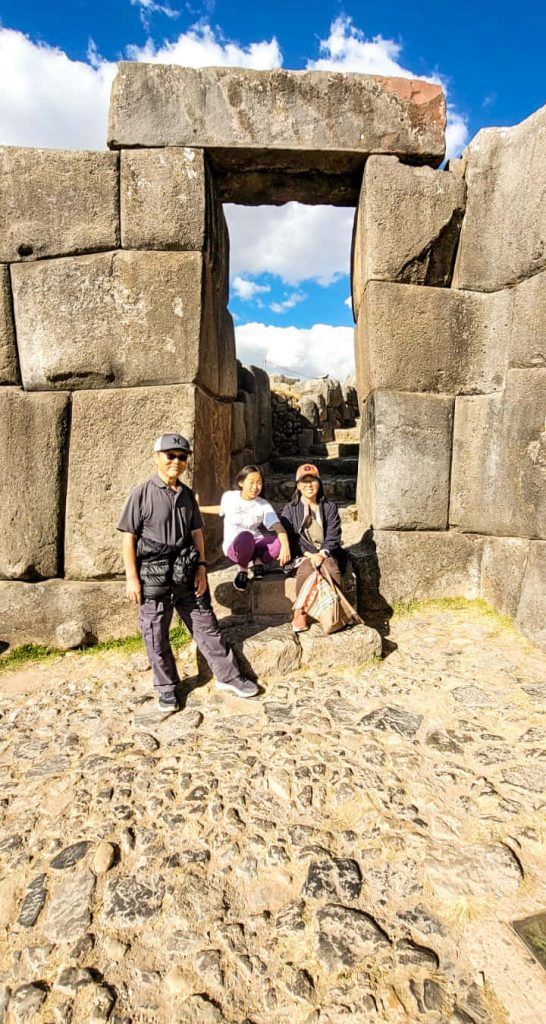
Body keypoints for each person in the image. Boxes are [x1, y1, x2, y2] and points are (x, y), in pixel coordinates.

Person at [118, 433, 259, 711]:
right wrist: (132, 578)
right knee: (156, 632)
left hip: (186, 571)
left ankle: (228, 676)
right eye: (170, 456)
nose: (176, 461)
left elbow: (197, 534)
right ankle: (167, 688)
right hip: (153, 575)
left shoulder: (186, 496)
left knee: (206, 625)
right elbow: (128, 538)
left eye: (182, 457)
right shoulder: (141, 493)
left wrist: (202, 569)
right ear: (157, 457)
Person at [280, 463, 347, 633]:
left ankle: (336, 610)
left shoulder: (329, 507)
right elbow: (290, 538)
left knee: (329, 565)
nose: (309, 485)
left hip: (327, 552)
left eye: (313, 481)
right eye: (304, 482)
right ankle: (300, 612)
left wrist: (322, 553)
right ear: (297, 485)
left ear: (320, 483)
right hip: (303, 555)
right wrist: (310, 554)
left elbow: (334, 535)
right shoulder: (290, 510)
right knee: (307, 567)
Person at [220, 465, 291, 591]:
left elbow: (277, 526)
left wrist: (285, 545)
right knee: (246, 536)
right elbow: (221, 510)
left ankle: (258, 561)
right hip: (236, 546)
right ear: (241, 482)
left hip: (256, 542)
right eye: (251, 482)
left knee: (278, 542)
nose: (255, 487)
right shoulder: (229, 497)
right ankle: (243, 568)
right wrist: (198, 508)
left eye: (259, 483)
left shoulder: (263, 504)